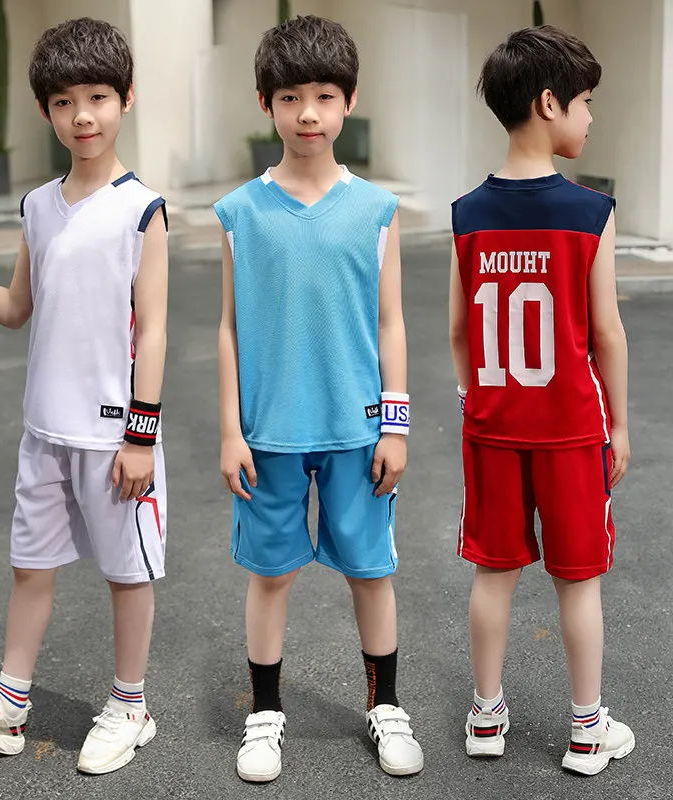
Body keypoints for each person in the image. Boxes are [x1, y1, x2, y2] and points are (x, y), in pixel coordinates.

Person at [0, 17, 168, 775]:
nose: (83, 116)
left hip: (115, 437)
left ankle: (131, 706)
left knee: (127, 574)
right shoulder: (38, 205)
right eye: (65, 102)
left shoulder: (142, 209)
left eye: (98, 97)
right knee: (30, 568)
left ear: (126, 98)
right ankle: (9, 707)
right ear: (46, 111)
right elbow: (18, 307)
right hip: (44, 430)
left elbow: (152, 331)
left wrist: (141, 436)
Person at [215, 14, 423, 784]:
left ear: (349, 102)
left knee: (371, 572)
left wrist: (396, 425)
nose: (308, 113)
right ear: (265, 104)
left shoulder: (376, 210)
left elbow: (392, 322)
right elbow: (229, 329)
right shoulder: (240, 213)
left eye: (325, 96)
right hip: (268, 432)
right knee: (270, 575)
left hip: (357, 429)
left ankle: (385, 706)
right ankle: (265, 716)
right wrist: (230, 429)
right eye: (291, 97)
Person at [449, 25, 634, 775]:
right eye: (585, 102)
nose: (590, 117)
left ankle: (486, 715)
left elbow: (459, 331)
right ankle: (587, 730)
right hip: (569, 427)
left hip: (492, 425)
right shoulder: (591, 212)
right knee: (578, 580)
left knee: (493, 573)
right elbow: (608, 334)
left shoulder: (467, 213)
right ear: (549, 103)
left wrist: (476, 396)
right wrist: (621, 426)